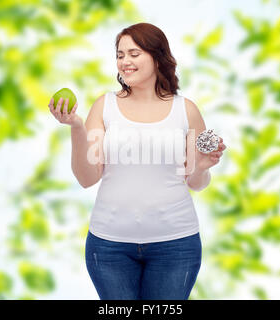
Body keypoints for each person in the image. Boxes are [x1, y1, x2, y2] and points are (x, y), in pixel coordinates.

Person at [49, 22, 226, 300]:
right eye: (120, 55)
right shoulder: (104, 106)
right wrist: (76, 127)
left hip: (176, 246)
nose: (124, 62)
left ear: (157, 57)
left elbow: (196, 182)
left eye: (134, 53)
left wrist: (202, 167)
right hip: (109, 247)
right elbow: (87, 178)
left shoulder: (186, 109)